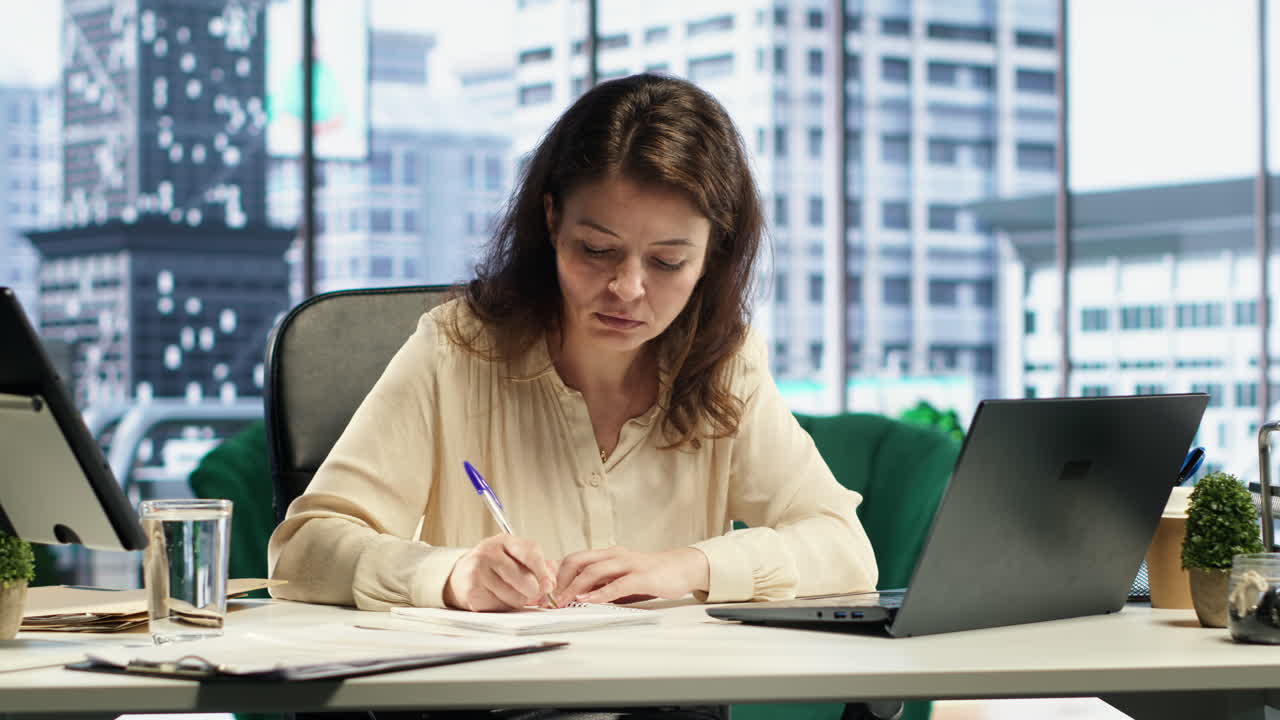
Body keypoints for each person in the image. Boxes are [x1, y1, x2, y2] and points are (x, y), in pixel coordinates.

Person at [268, 72, 876, 620]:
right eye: (597, 250)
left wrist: (688, 566)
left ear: (711, 256)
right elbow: (305, 548)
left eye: (667, 261)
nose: (628, 289)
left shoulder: (725, 364)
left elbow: (844, 547)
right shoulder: (456, 351)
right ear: (553, 220)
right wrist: (451, 575)